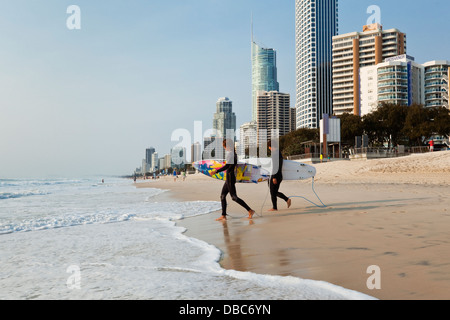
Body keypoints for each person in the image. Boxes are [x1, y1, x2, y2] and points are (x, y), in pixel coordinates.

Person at [210, 139, 255, 221]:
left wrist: (216, 171)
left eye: (224, 146)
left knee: (234, 197)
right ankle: (223, 215)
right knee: (222, 196)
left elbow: (227, 166)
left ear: (228, 146)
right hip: (229, 178)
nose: (224, 148)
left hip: (230, 178)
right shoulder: (233, 154)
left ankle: (250, 210)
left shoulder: (231, 154)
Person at [268, 140, 291, 212]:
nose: (269, 149)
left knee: (273, 192)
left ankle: (275, 207)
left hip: (276, 175)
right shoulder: (279, 153)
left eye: (269, 147)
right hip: (279, 175)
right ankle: (287, 199)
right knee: (274, 192)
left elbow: (275, 166)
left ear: (270, 146)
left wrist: (274, 177)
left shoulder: (275, 154)